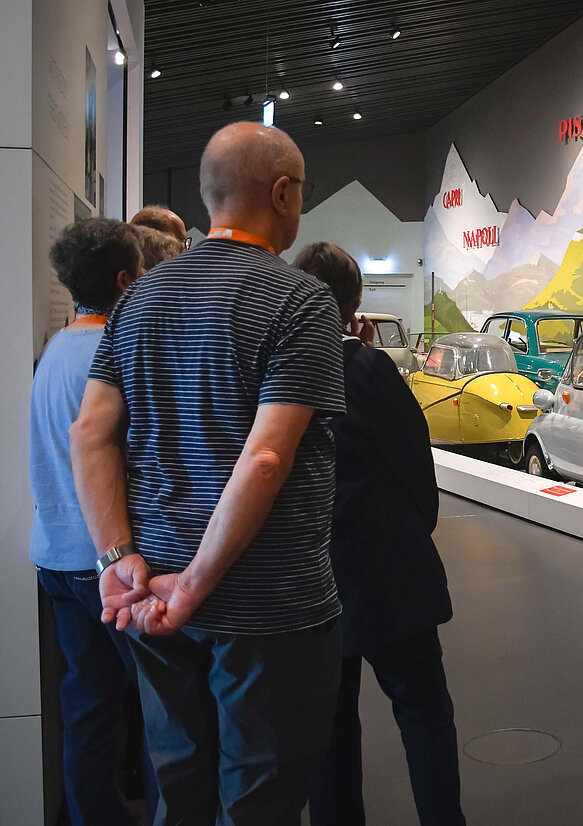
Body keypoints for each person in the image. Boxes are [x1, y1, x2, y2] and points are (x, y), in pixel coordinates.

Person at [70, 121, 345, 824]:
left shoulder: (137, 298)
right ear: (281, 194)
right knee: (259, 802)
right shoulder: (301, 300)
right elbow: (266, 457)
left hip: (151, 593)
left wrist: (115, 557)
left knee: (178, 789)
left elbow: (90, 433)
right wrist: (195, 585)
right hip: (268, 606)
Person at [294, 242, 465, 826]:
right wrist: (416, 529)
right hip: (391, 571)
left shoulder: (280, 368)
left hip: (310, 579)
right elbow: (415, 461)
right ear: (355, 303)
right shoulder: (369, 368)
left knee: (328, 729)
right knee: (424, 712)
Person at [30, 218, 153, 825]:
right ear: (126, 281)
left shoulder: (55, 349)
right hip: (109, 561)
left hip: (55, 556)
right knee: (161, 709)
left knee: (88, 705)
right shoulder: (116, 352)